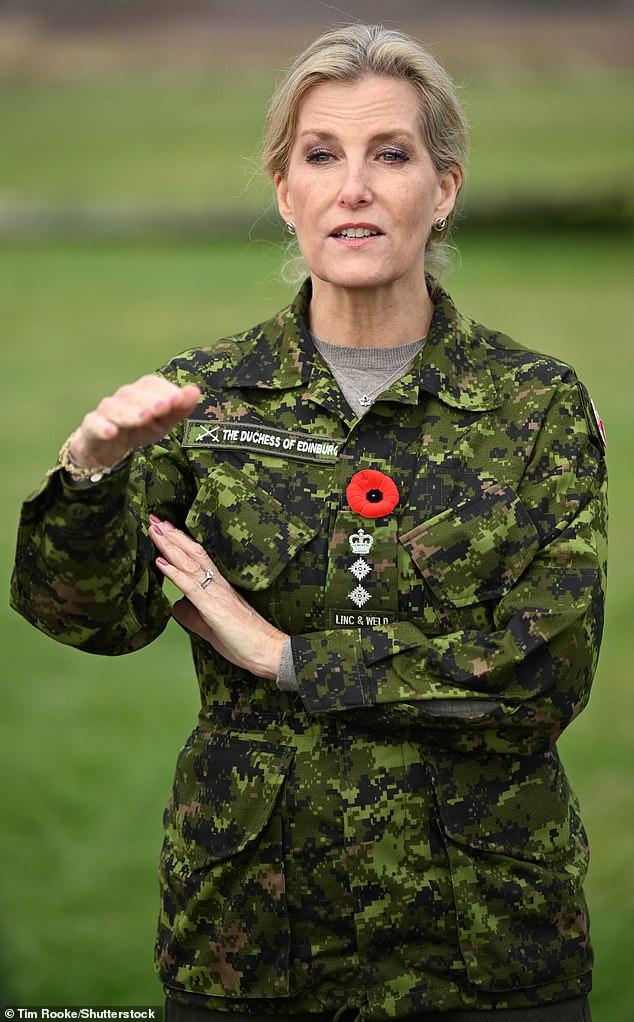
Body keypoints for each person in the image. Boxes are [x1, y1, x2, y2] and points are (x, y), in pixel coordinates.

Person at [10, 23, 606, 1022]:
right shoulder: (205, 398)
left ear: (443, 187)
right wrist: (90, 476)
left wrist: (291, 659)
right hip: (252, 939)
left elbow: (542, 672)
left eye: (391, 154)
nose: (354, 187)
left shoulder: (532, 406)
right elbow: (92, 620)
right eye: (320, 155)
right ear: (286, 192)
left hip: (489, 948)